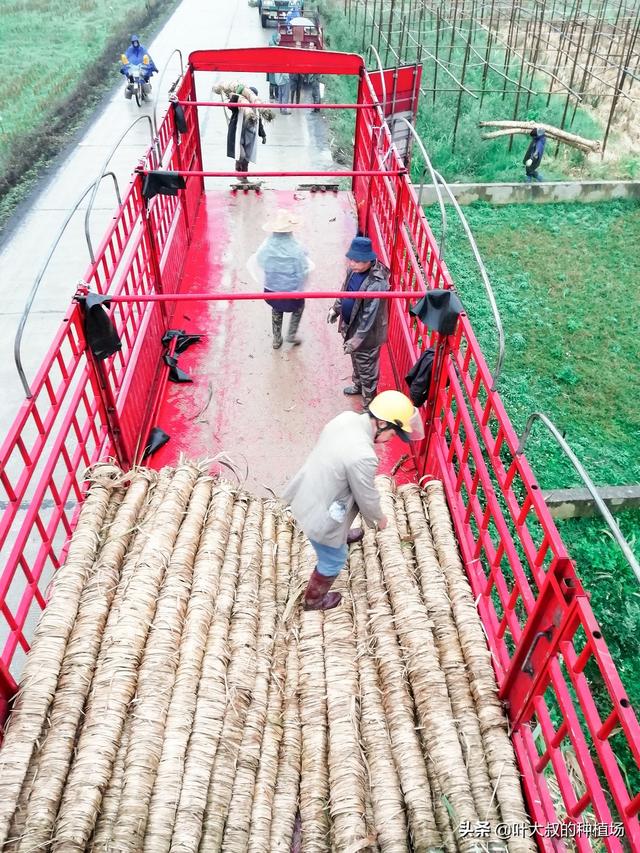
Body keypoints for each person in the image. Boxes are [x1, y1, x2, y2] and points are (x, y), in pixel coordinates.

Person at [283, 391, 424, 611]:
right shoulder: (363, 456)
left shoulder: (346, 419)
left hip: (307, 491)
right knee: (334, 559)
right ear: (382, 424)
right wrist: (379, 518)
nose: (391, 439)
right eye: (394, 434)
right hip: (320, 515)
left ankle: (340, 534)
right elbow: (366, 495)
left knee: (339, 522)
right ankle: (314, 600)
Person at [327, 236, 389, 409]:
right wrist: (336, 308)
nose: (351, 263)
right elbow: (345, 291)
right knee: (356, 361)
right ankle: (358, 385)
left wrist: (355, 341)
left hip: (367, 336)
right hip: (351, 326)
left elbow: (369, 317)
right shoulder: (353, 271)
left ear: (368, 261)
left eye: (356, 260)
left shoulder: (376, 284)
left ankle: (370, 404)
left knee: (367, 367)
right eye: (351, 259)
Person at [247, 210, 313, 348]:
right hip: (292, 290)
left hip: (273, 288)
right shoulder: (296, 248)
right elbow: (303, 269)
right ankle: (291, 334)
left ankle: (277, 339)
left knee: (276, 310)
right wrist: (300, 288)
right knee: (298, 309)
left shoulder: (268, 245)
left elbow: (259, 260)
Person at [215, 83, 268, 178]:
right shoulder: (240, 105)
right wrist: (236, 96)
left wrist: (263, 135)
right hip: (238, 135)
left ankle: (244, 177)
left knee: (246, 159)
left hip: (250, 136)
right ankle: (238, 173)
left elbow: (259, 123)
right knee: (241, 155)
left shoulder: (256, 109)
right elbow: (230, 106)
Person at [266, 32, 281, 100]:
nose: (280, 39)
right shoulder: (272, 44)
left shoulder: (273, 42)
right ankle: (274, 96)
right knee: (274, 82)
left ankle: (273, 95)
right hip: (272, 66)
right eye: (279, 37)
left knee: (273, 82)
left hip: (272, 66)